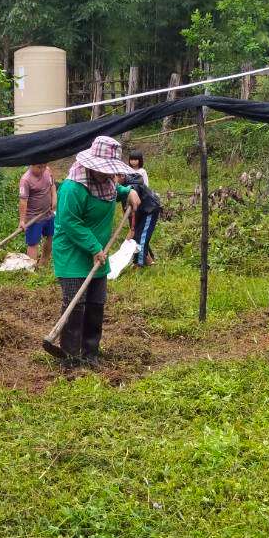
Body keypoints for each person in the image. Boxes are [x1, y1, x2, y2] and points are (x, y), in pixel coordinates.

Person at [52, 137, 140, 367]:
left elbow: (113, 191)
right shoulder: (73, 187)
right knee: (76, 304)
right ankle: (70, 358)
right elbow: (70, 222)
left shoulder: (106, 182)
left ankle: (91, 354)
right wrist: (93, 247)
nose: (107, 175)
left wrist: (128, 192)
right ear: (91, 165)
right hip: (73, 254)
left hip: (99, 255)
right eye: (103, 169)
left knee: (96, 305)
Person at [123, 151, 161, 268]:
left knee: (141, 237)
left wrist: (133, 227)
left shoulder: (133, 185)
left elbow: (135, 204)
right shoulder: (123, 185)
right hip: (138, 211)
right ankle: (149, 260)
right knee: (137, 235)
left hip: (148, 210)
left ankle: (138, 264)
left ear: (120, 176)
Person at [18, 162, 57, 269]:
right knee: (33, 243)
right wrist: (22, 220)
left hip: (48, 213)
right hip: (34, 218)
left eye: (44, 166)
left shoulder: (48, 171)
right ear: (31, 165)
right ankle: (31, 268)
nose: (42, 169)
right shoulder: (25, 180)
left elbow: (52, 185)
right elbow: (23, 201)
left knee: (50, 236)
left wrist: (54, 198)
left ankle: (43, 262)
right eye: (39, 167)